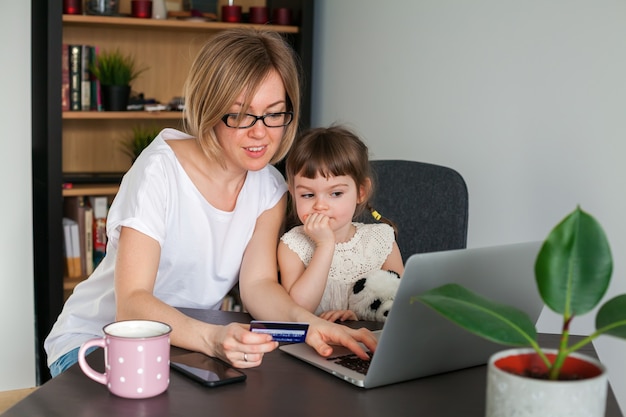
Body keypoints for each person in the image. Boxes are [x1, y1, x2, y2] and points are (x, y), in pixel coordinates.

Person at [45, 29, 377, 377]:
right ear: (209, 109)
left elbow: (258, 286)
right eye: (239, 115)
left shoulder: (269, 187)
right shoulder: (159, 171)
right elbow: (131, 304)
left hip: (182, 343)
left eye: (274, 113)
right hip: (97, 343)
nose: (260, 132)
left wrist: (308, 326)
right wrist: (212, 339)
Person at [278, 126, 405, 323]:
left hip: (368, 343)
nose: (320, 205)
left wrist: (360, 318)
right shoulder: (292, 246)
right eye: (308, 195)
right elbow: (298, 310)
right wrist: (324, 246)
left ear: (361, 192)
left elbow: (401, 307)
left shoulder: (381, 240)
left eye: (335, 193)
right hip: (314, 345)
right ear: (293, 194)